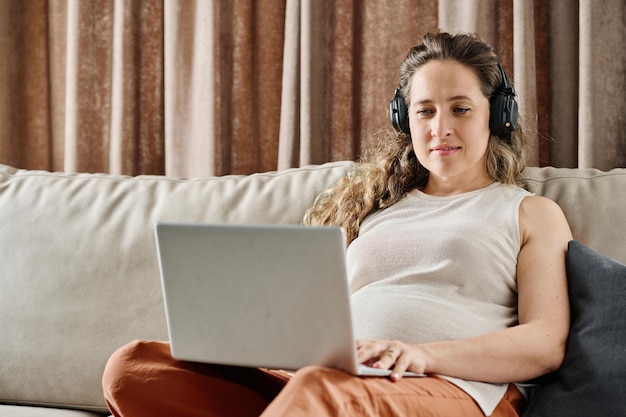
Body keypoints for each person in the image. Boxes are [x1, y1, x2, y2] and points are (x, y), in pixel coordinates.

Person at [102, 31, 572, 417]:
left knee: (320, 391)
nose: (440, 128)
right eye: (425, 111)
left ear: (498, 115)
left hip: (451, 388)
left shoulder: (528, 212)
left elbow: (546, 342)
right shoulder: (377, 210)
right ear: (405, 121)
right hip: (326, 384)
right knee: (134, 366)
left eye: (460, 109)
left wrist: (422, 355)